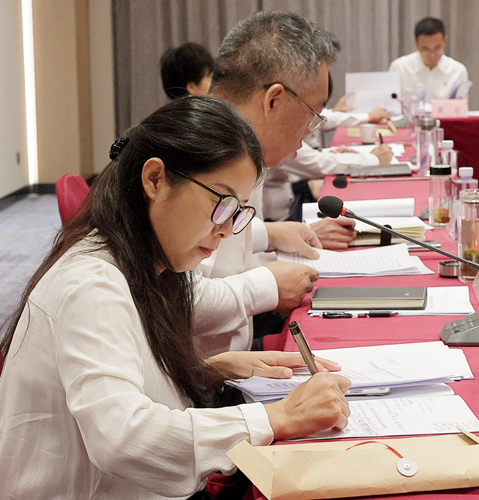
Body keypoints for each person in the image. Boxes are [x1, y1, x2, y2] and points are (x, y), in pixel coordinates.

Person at [0, 96, 351, 499]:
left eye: (238, 212)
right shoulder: (91, 283)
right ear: (155, 179)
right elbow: (123, 438)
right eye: (221, 204)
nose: (226, 230)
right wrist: (277, 417)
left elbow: (125, 380)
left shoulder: (147, 262)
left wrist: (208, 370)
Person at [389, 17, 469, 103]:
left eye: (437, 48)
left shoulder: (457, 71)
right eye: (425, 49)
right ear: (416, 43)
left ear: (445, 41)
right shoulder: (399, 68)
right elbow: (390, 106)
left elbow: (460, 108)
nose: (432, 55)